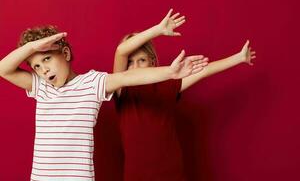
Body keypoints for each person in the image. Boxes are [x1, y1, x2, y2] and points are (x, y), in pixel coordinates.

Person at [0, 25, 208, 181]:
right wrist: (32, 47)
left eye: (46, 59)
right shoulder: (41, 87)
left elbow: (129, 78)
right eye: (36, 66)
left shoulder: (92, 83)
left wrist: (169, 72)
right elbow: (3, 69)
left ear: (65, 54)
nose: (43, 70)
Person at [113, 9, 256, 181]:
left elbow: (204, 70)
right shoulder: (122, 88)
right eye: (130, 63)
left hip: (171, 172)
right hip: (137, 176)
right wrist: (158, 30)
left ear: (152, 61)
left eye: (141, 60)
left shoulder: (167, 85)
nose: (135, 67)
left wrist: (238, 58)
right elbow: (121, 51)